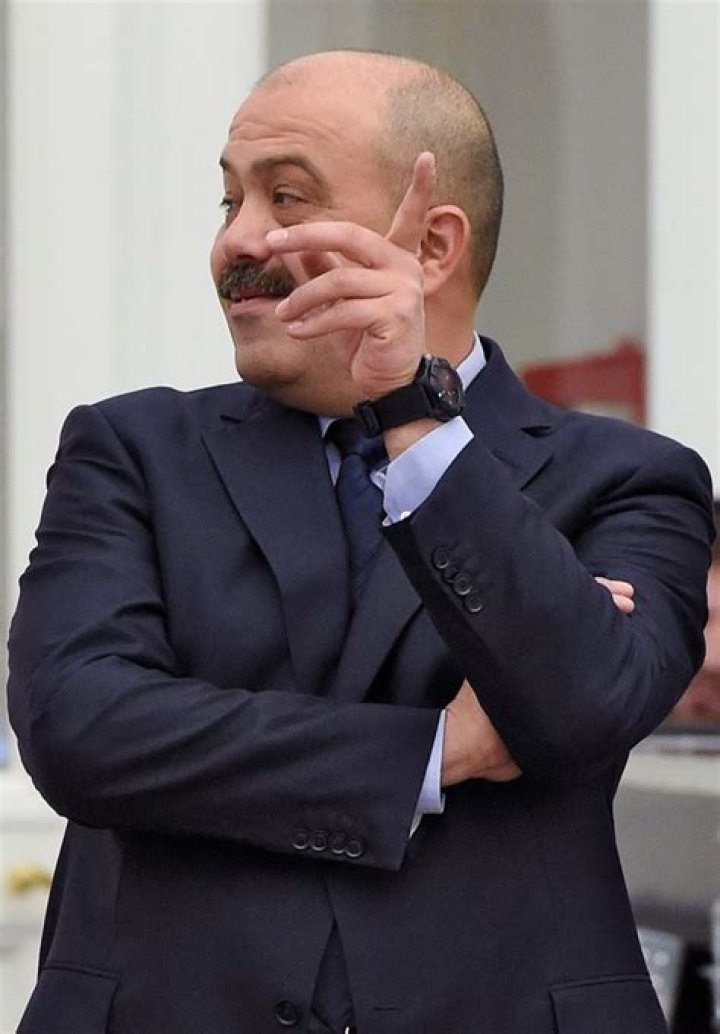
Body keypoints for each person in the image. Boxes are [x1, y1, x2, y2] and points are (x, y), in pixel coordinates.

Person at [7, 50, 713, 1034]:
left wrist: (414, 415)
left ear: (431, 246)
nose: (236, 239)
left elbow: (584, 705)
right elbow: (82, 730)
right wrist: (434, 749)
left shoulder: (631, 476)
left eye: (287, 198)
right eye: (229, 199)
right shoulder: (133, 450)